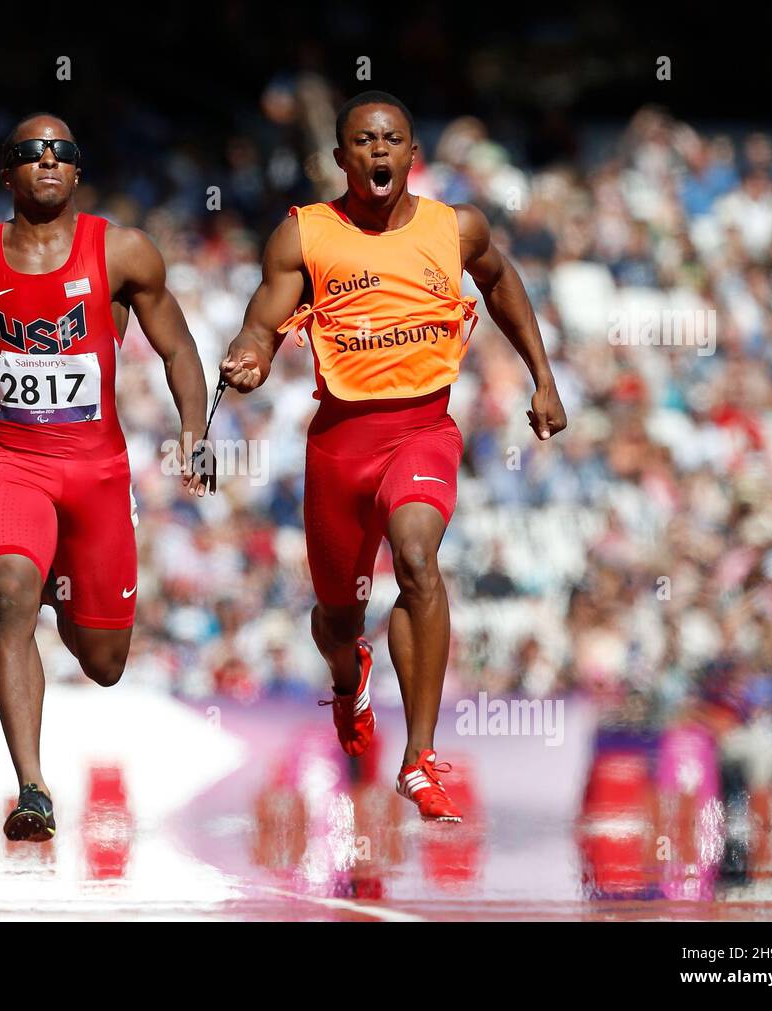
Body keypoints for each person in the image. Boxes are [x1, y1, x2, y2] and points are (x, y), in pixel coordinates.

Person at [220, 91, 566, 821]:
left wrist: (542, 376)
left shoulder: (455, 227)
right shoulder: (305, 234)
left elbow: (502, 283)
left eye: (393, 140)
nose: (378, 152)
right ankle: (349, 678)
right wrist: (250, 356)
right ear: (341, 158)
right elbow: (262, 321)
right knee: (339, 620)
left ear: (413, 155)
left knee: (416, 558)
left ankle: (419, 757)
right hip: (339, 446)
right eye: (363, 142)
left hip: (422, 431)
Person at [0, 114, 208, 841]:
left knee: (105, 661)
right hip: (13, 467)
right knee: (9, 591)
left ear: (77, 171)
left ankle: (61, 580)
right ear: (7, 172)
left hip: (96, 476)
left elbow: (176, 346)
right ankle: (32, 787)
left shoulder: (122, 251)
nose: (47, 161)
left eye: (62, 153)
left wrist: (194, 429)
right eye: (29, 153)